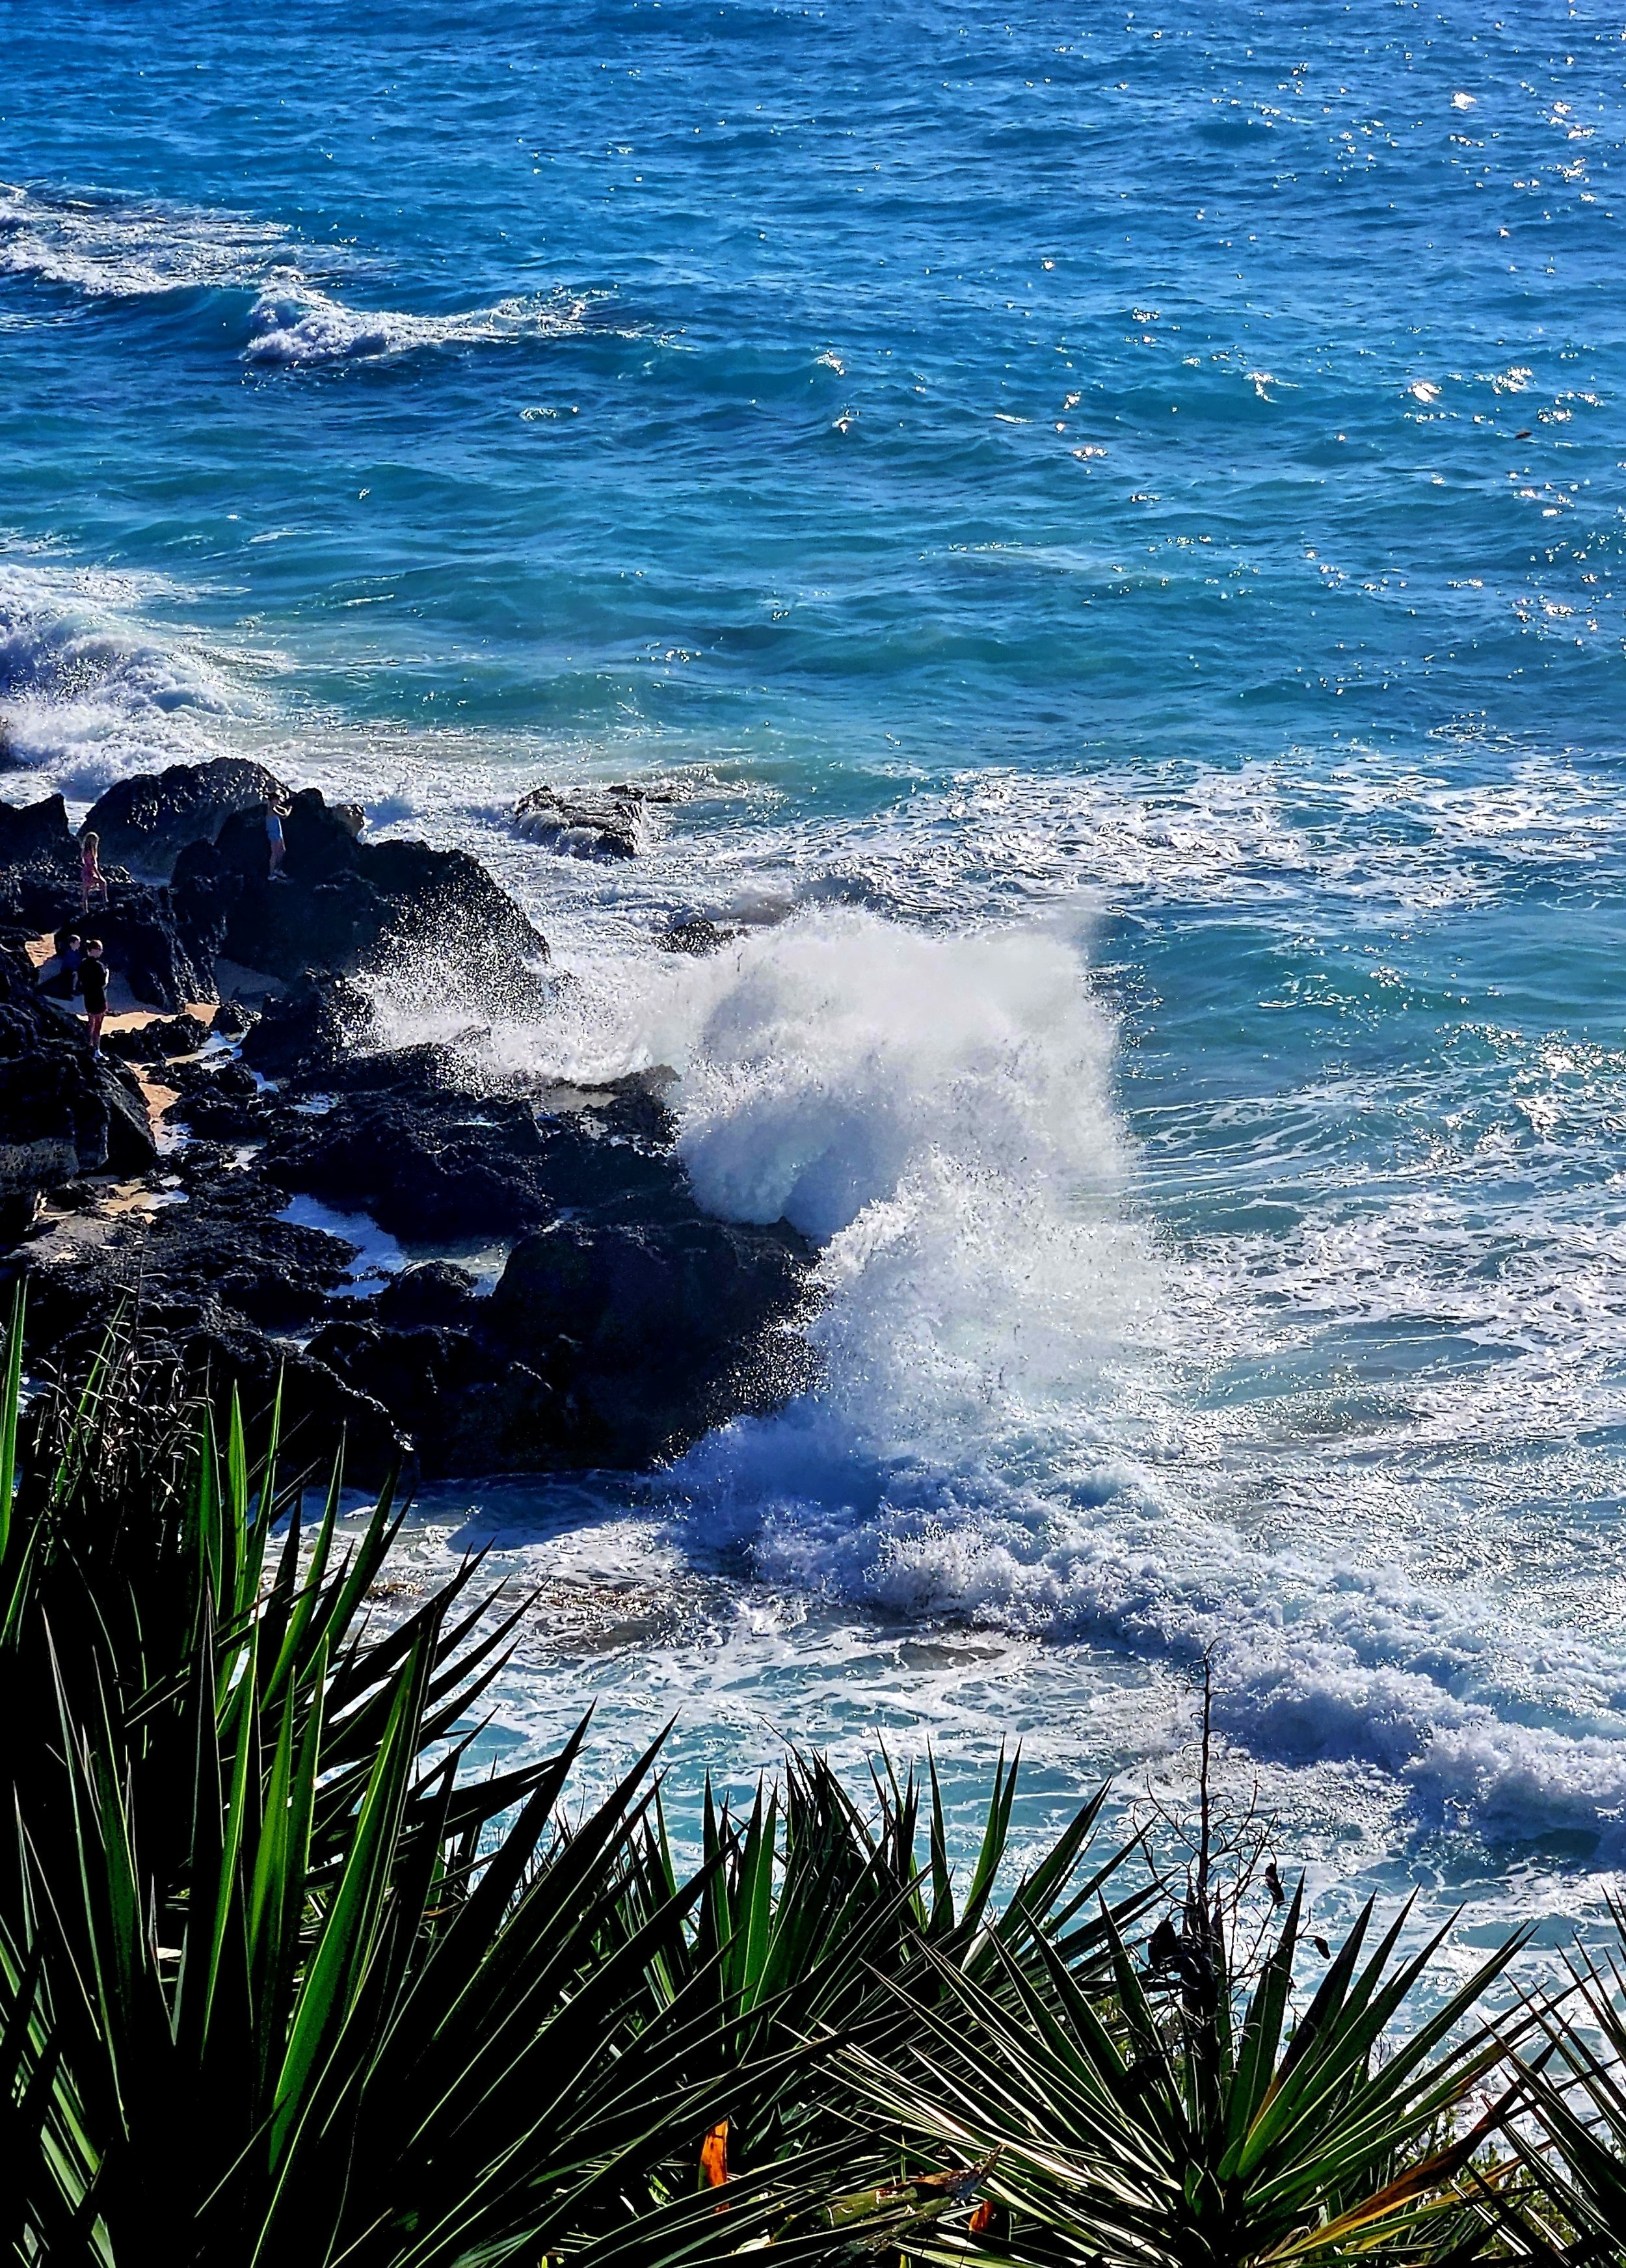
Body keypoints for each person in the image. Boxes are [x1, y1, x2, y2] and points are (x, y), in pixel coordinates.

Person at [78, 937, 108, 1055]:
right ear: (94, 950)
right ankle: (97, 1050)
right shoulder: (99, 966)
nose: (101, 952)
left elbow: (81, 981)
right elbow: (103, 984)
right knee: (98, 1025)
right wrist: (107, 975)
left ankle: (89, 1046)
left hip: (88, 998)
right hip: (99, 998)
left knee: (91, 1023)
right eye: (100, 949)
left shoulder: (82, 964)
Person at [80, 831, 107, 912]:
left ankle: (85, 910)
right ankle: (105, 902)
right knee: (103, 883)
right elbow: (93, 866)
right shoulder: (90, 853)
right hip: (90, 873)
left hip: (86, 873)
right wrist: (100, 876)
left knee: (85, 892)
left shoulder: (86, 852)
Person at [265, 797, 287, 878]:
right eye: (276, 800)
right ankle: (271, 874)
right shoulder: (271, 810)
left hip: (279, 833)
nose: (278, 801)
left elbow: (283, 810)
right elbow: (284, 815)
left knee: (282, 851)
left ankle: (277, 869)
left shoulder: (275, 808)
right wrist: (289, 810)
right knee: (275, 854)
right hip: (274, 834)